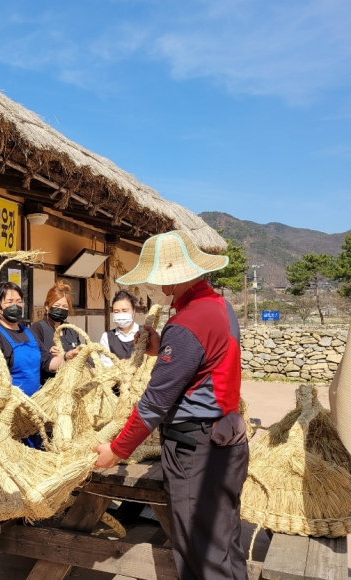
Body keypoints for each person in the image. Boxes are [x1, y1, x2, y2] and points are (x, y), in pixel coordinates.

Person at [95, 231, 248, 580]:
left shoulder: (187, 322)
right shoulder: (220, 306)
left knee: (202, 554)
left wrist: (117, 450)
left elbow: (154, 403)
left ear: (172, 280)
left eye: (160, 281)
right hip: (225, 436)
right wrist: (161, 347)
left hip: (197, 449)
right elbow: (206, 362)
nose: (160, 289)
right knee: (223, 546)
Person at [0, 281, 53, 447]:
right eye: (9, 302)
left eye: (19, 301)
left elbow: (47, 361)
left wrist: (67, 358)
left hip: (34, 410)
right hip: (11, 413)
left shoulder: (28, 331)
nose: (16, 305)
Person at [30, 280, 82, 381]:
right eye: (57, 306)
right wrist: (48, 354)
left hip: (72, 383)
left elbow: (81, 352)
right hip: (48, 385)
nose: (61, 309)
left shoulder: (71, 329)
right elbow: (33, 359)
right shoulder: (37, 328)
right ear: (47, 306)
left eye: (65, 307)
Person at [99, 289, 140, 362]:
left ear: (134, 312)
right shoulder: (107, 337)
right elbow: (105, 364)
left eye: (124, 311)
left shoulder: (145, 333)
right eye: (116, 311)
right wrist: (119, 366)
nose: (121, 314)